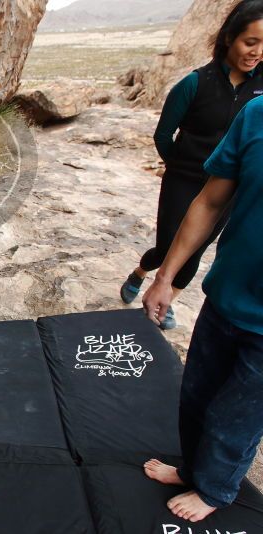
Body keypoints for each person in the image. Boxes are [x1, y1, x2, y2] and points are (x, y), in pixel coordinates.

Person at [140, 74, 263, 522]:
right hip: (228, 294)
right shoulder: (256, 114)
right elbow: (210, 202)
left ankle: (214, 489)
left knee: (239, 415)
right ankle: (194, 469)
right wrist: (165, 277)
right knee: (196, 395)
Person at [120, 0, 263, 330]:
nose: (256, 52)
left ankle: (168, 298)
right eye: (250, 42)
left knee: (197, 249)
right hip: (182, 180)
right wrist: (178, 165)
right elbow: (163, 134)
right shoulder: (195, 84)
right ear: (229, 38)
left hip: (226, 187)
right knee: (168, 244)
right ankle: (142, 272)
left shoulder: (259, 90)